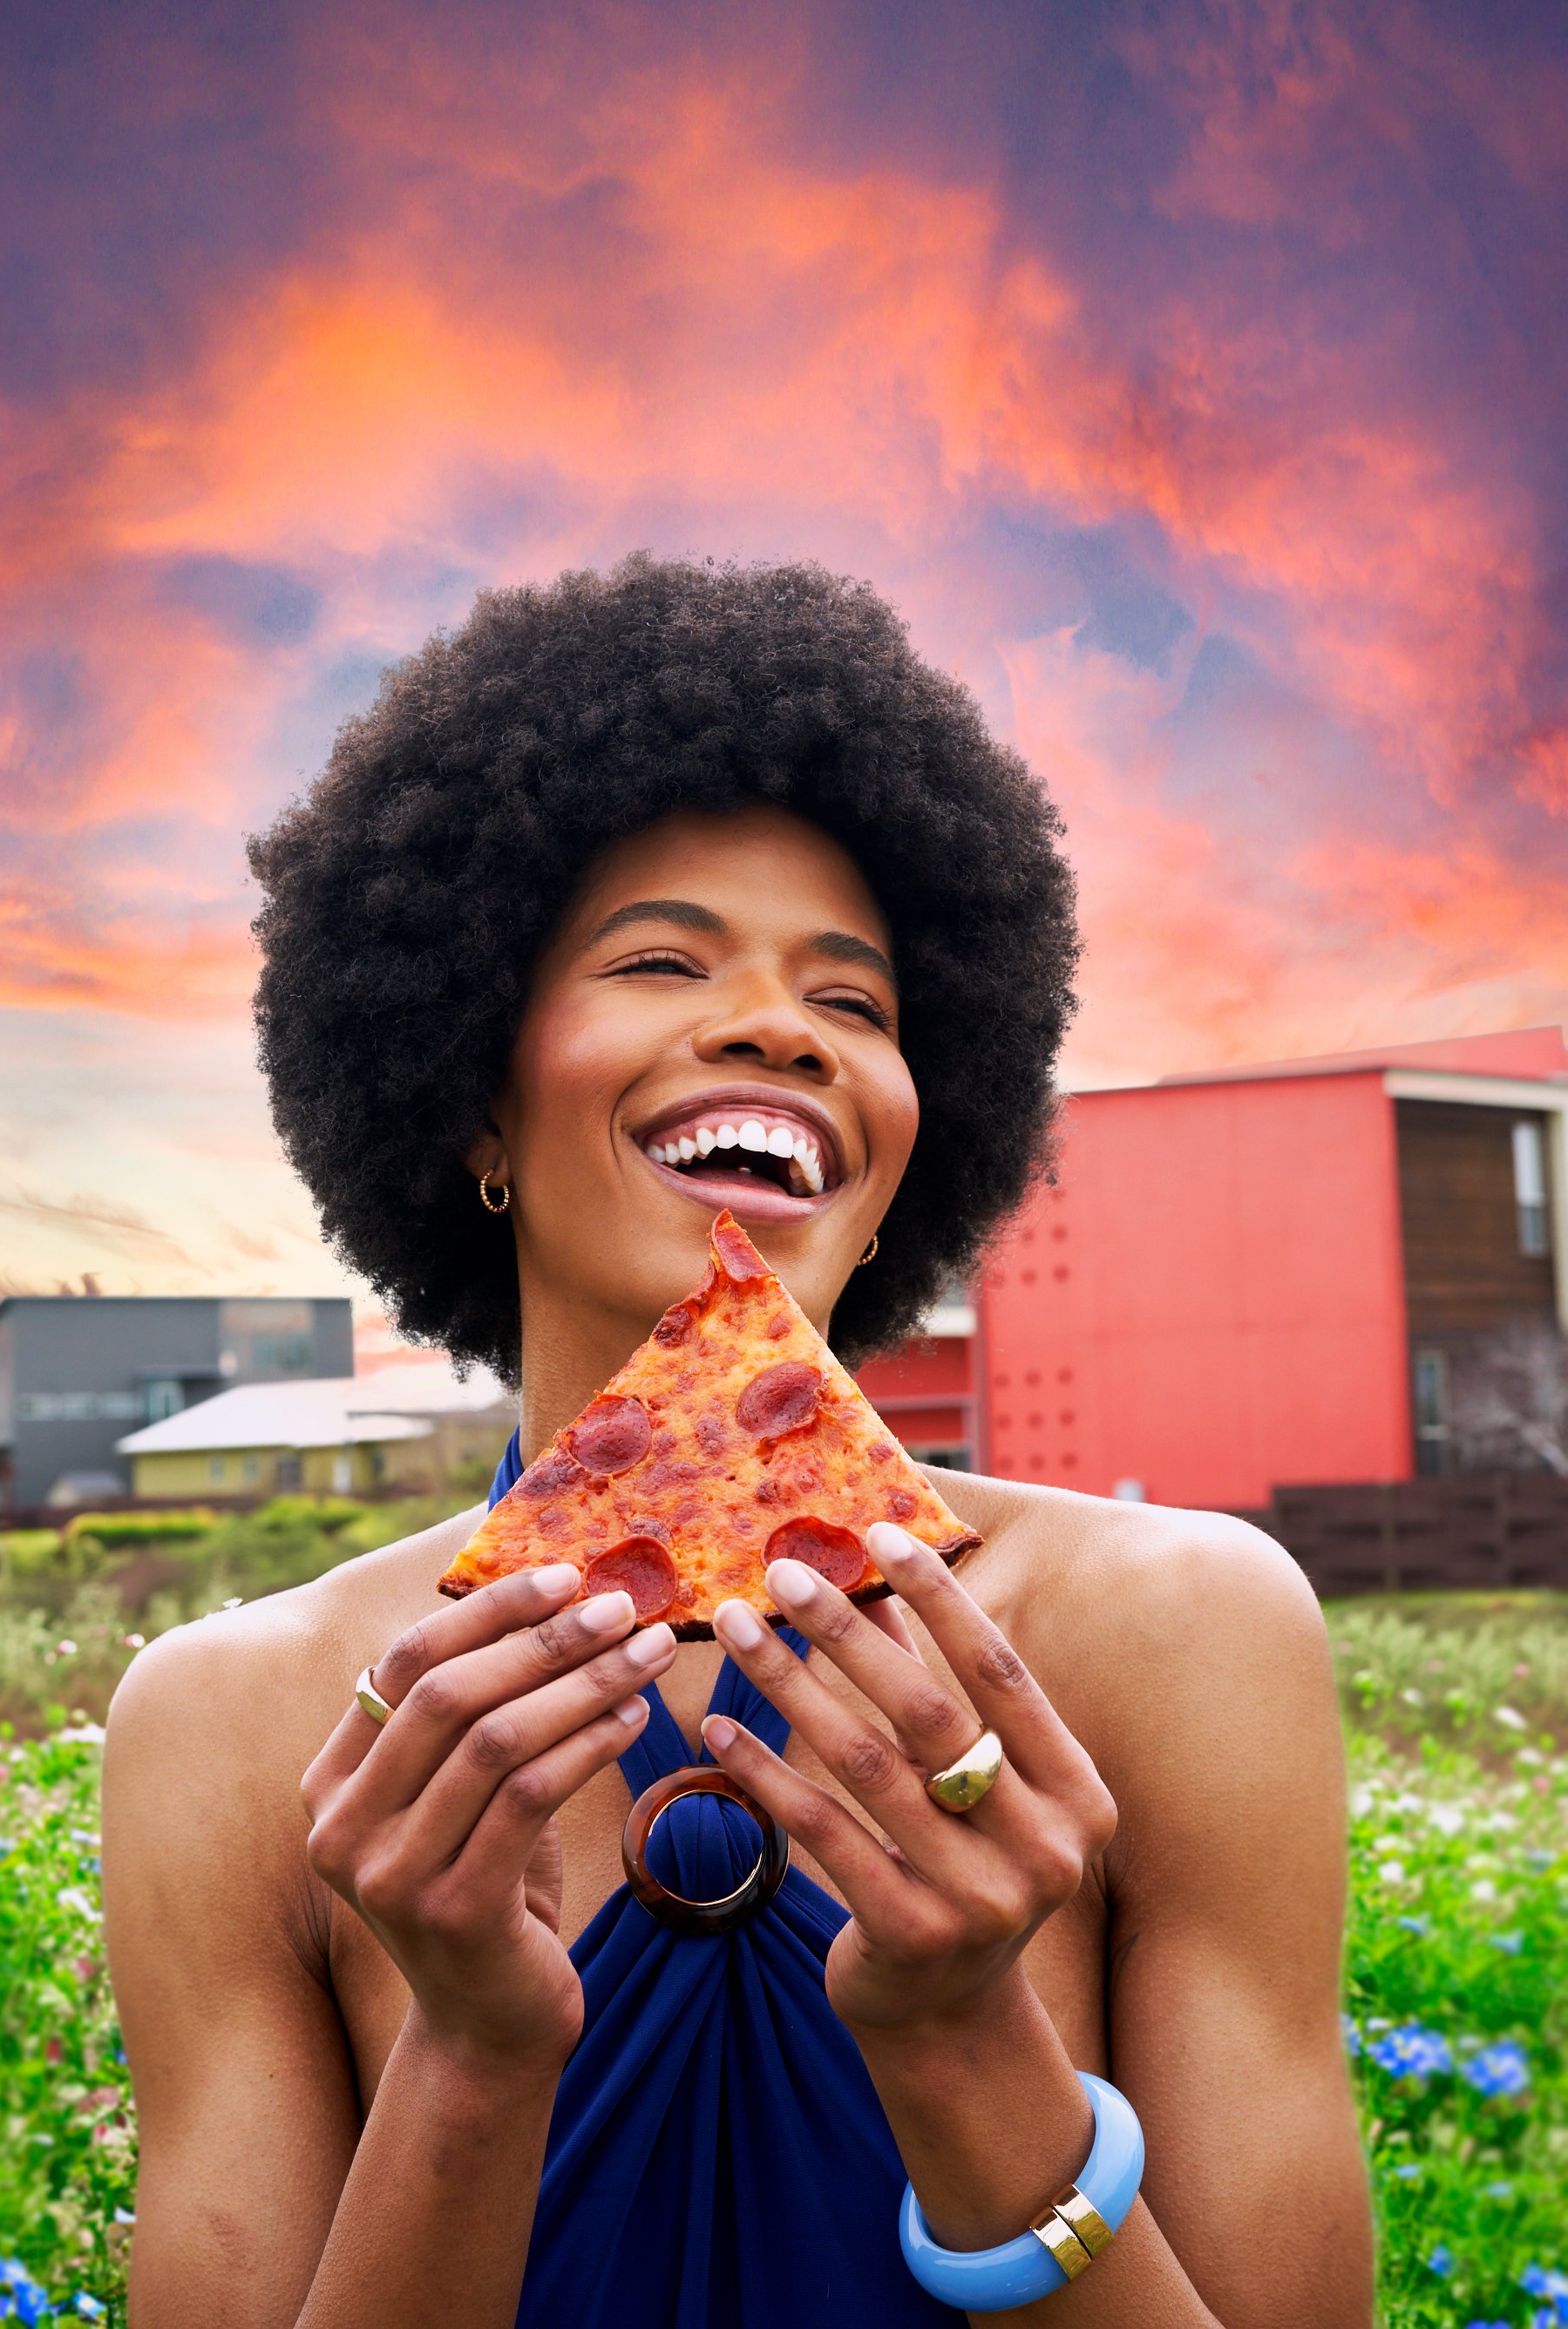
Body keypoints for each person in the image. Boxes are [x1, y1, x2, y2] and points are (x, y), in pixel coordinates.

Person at [104, 556, 1372, 2329]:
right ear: (469, 1088)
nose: (783, 1022)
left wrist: (964, 2045)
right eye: (660, 958)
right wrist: (471, 2054)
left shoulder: (1171, 1629)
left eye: (853, 1002)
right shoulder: (237, 1723)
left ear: (897, 1172)